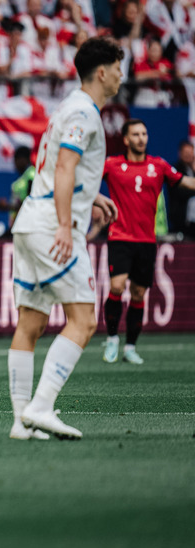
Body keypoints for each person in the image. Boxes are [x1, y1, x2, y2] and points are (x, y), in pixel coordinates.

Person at [6, 36, 124, 441]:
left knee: (31, 323)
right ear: (104, 71)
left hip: (28, 222)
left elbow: (62, 166)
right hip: (50, 227)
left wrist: (93, 197)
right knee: (84, 320)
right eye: (119, 68)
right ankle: (42, 406)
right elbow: (65, 168)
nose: (123, 77)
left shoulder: (68, 108)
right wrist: (63, 223)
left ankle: (22, 422)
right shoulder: (84, 112)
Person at [100, 119, 195, 364]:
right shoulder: (111, 165)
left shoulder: (159, 166)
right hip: (120, 237)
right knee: (117, 287)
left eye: (144, 133)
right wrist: (98, 202)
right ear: (126, 139)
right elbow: (84, 183)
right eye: (136, 134)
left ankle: (130, 347)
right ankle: (112, 338)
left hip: (146, 240)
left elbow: (186, 183)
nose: (141, 138)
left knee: (139, 294)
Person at [0, 146, 36, 229]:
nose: (14, 164)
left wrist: (7, 206)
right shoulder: (22, 178)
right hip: (18, 225)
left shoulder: (32, 175)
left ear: (22, 159)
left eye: (15, 160)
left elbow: (31, 202)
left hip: (27, 226)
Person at [167, 140, 195, 239]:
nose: (188, 155)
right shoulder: (175, 170)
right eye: (185, 153)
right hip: (182, 223)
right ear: (180, 153)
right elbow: (180, 192)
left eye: (190, 152)